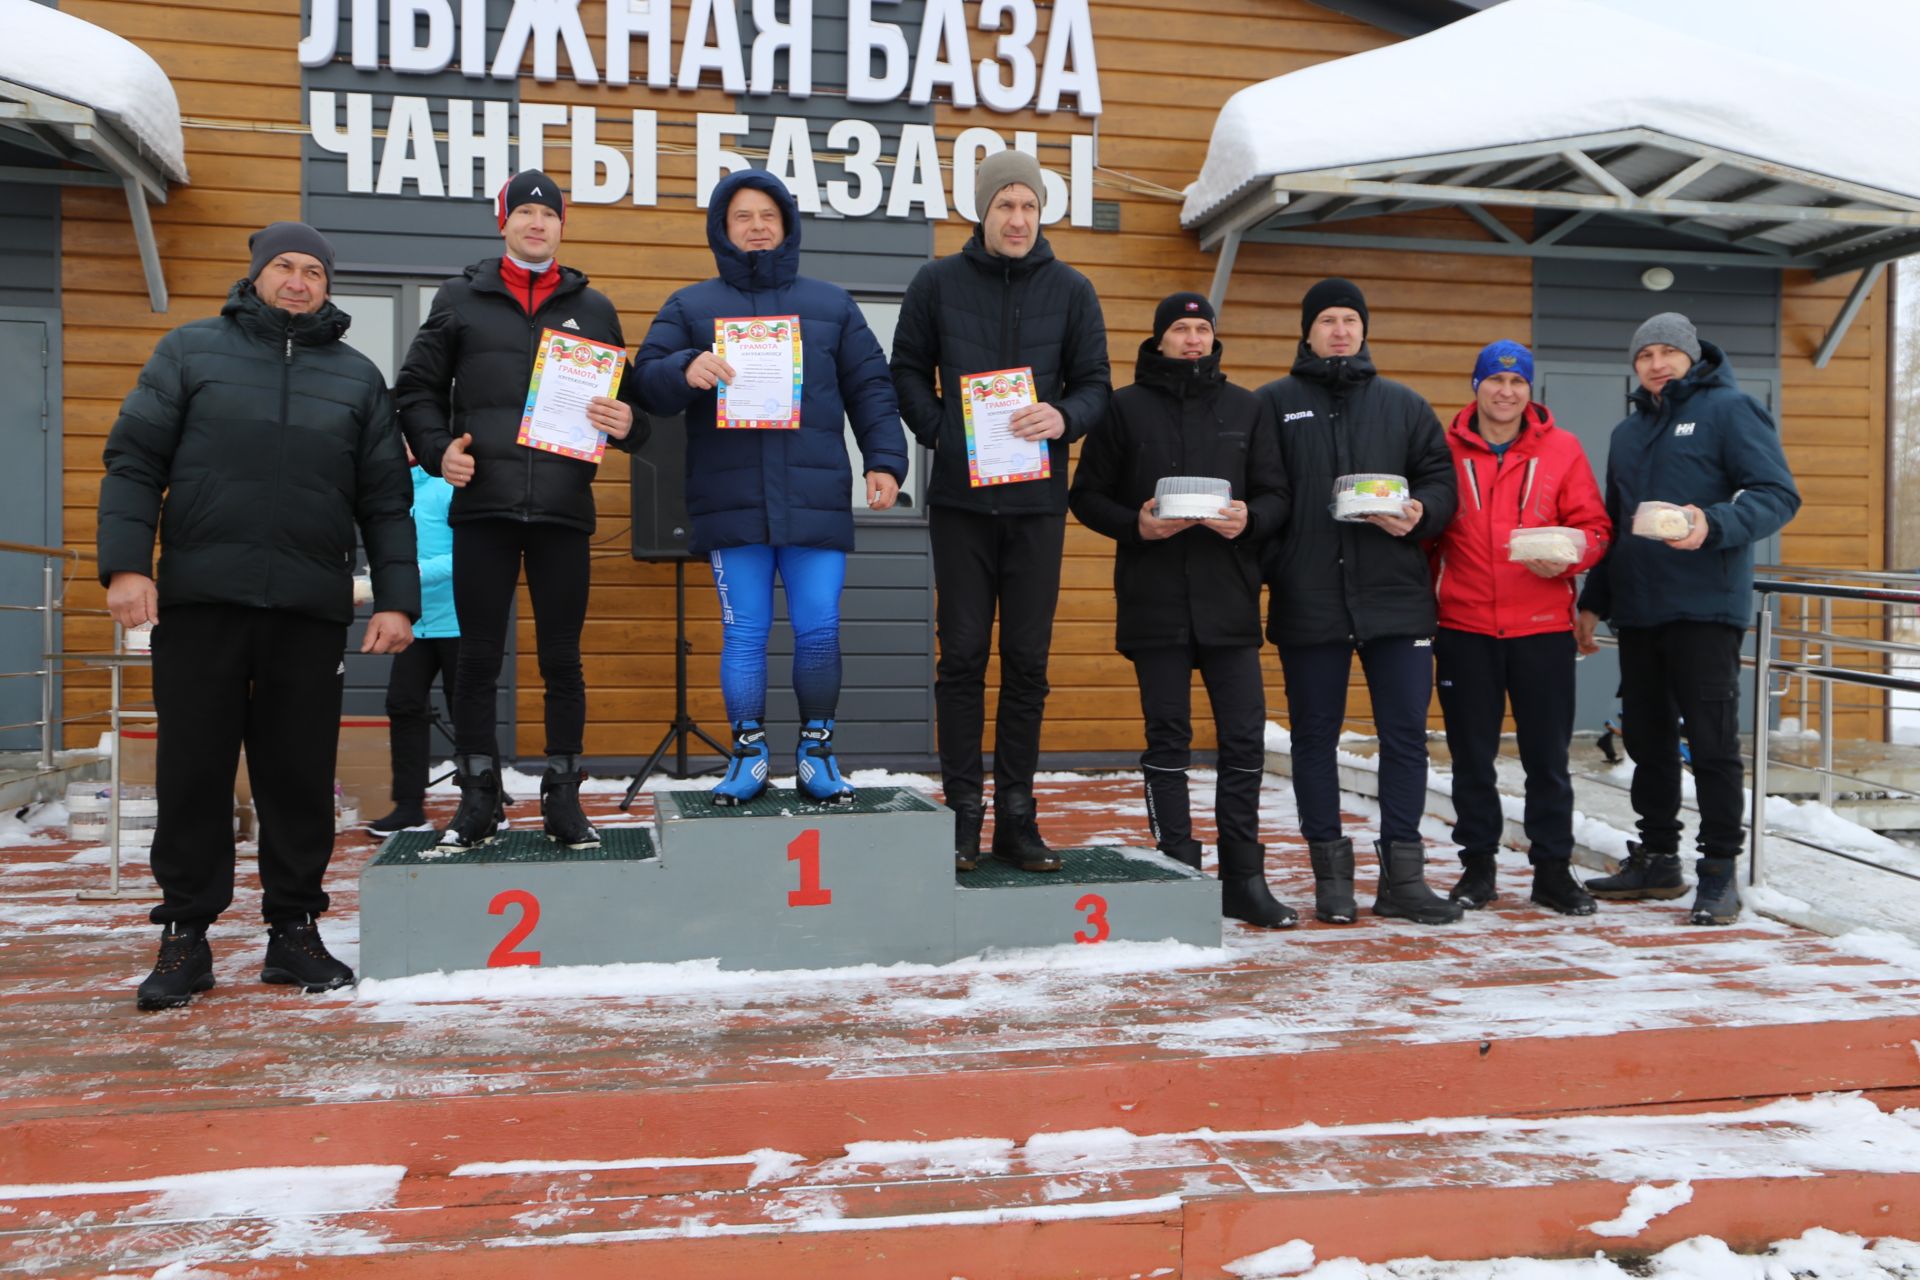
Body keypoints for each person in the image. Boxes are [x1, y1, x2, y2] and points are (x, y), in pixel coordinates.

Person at [97, 221, 418, 1010]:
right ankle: (185, 938)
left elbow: (386, 499)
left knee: (298, 777)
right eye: (285, 266)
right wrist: (128, 567)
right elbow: (134, 459)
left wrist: (399, 598)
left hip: (308, 611)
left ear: (327, 285)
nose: (300, 281)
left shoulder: (355, 378)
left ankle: (294, 934)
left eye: (315, 269)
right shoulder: (190, 352)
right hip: (203, 602)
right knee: (194, 773)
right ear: (257, 275)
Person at [632, 170, 907, 805]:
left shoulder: (832, 305)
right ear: (721, 231)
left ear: (787, 225)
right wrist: (684, 367)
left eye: (768, 216)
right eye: (742, 217)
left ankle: (817, 749)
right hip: (732, 503)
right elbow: (643, 380)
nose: (756, 226)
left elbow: (871, 388)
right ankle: (749, 752)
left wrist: (885, 460)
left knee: (818, 631)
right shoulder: (690, 307)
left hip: (813, 500)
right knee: (745, 632)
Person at [396, 170, 648, 850]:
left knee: (562, 660)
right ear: (502, 221)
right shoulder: (459, 299)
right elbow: (415, 389)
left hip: (564, 511)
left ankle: (564, 796)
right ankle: (479, 797)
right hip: (484, 509)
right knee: (476, 660)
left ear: (562, 227)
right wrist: (437, 447)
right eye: (524, 212)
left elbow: (634, 418)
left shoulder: (594, 310)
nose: (536, 223)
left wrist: (628, 420)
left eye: (548, 213)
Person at [890, 149, 1112, 872]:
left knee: (1027, 661)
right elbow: (905, 373)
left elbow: (1096, 384)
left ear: (1040, 213)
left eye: (1028, 206)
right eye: (1004, 205)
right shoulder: (936, 283)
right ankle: (962, 815)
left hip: (1037, 507)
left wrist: (1065, 417)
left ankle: (1017, 817)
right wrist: (943, 435)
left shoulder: (1073, 290)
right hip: (961, 503)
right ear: (981, 212)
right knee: (960, 658)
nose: (1017, 219)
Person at [1070, 293, 1295, 925]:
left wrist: (1251, 519)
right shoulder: (1124, 408)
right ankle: (1177, 872)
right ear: (1159, 338)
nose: (1192, 339)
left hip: (1229, 600)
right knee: (1167, 738)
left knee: (1244, 739)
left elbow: (1278, 494)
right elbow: (1085, 496)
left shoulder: (1247, 409)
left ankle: (1244, 878)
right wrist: (1135, 525)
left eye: (1201, 329)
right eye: (1180, 329)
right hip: (1155, 600)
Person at [1577, 313, 1800, 925]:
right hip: (1642, 612)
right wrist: (1594, 601)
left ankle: (1720, 871)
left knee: (1711, 744)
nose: (1655, 363)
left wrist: (1713, 524)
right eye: (1644, 354)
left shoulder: (1730, 409)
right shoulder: (1627, 433)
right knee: (1646, 743)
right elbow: (1619, 526)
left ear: (1691, 354)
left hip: (1705, 606)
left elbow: (1778, 494)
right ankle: (1657, 859)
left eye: (1666, 353)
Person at [1259, 277, 1461, 925]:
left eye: (1350, 319)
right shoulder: (1273, 404)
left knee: (1405, 737)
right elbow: (1258, 495)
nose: (1340, 330)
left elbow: (1440, 482)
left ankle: (1403, 879)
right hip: (1309, 598)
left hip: (1395, 599)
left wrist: (1421, 512)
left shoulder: (1404, 405)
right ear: (1308, 331)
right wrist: (1279, 566)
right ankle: (1332, 881)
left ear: (1364, 328)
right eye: (1327, 320)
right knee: (1313, 739)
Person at [1430, 340, 1610, 916]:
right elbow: (1427, 533)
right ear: (1476, 385)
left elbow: (1596, 528)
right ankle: (1477, 868)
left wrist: (1572, 558)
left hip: (1541, 629)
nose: (1505, 392)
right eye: (1495, 381)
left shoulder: (1562, 449)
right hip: (1464, 626)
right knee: (1471, 758)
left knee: (1547, 759)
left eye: (1517, 383)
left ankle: (1553, 872)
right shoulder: (1443, 449)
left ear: (1530, 391)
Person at [366, 448, 461, 835]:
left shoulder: (449, 486)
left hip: (461, 622)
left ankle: (486, 805)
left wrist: (410, 572)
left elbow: (467, 556)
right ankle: (408, 808)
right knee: (403, 706)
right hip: (416, 623)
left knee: (470, 713)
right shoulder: (392, 490)